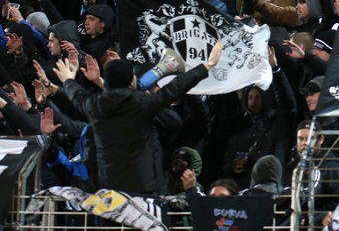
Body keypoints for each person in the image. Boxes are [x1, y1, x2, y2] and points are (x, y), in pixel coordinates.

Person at [54, 41, 223, 195]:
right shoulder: (143, 103)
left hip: (109, 187)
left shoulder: (93, 105)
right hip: (144, 187)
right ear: (130, 80)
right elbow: (176, 87)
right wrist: (207, 65)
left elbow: (77, 95)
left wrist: (68, 80)